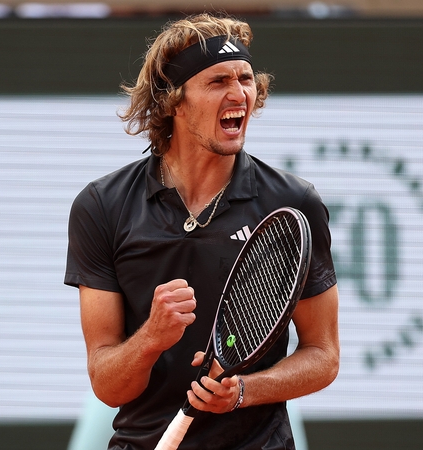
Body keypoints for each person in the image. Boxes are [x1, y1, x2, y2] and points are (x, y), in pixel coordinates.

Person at [64, 13, 339, 450]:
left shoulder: (295, 202)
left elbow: (323, 356)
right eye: (217, 82)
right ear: (174, 100)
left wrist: (244, 392)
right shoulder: (102, 206)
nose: (240, 94)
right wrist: (152, 337)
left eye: (246, 79)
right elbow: (108, 385)